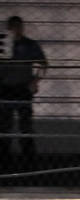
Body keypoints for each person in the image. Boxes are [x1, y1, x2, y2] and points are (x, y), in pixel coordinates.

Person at [0, 16, 47, 164]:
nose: (15, 30)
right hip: (5, 88)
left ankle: (28, 158)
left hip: (22, 88)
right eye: (12, 27)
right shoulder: (3, 45)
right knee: (4, 124)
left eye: (17, 26)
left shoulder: (29, 45)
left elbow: (43, 64)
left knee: (25, 124)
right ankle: (4, 157)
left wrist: (35, 81)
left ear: (21, 28)